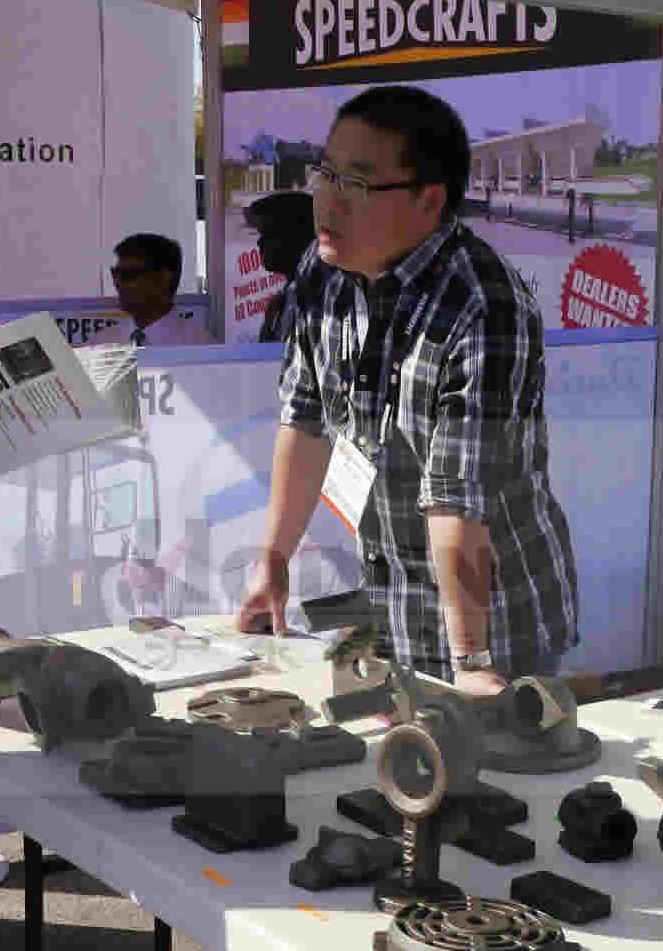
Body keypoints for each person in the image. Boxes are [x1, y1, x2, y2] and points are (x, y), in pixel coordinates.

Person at [237, 85, 578, 690]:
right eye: (326, 174)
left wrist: (471, 662)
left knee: (488, 749)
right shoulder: (324, 271)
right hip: (391, 607)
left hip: (495, 625)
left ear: (430, 199)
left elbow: (457, 497)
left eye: (357, 183)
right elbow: (306, 418)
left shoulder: (483, 306)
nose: (327, 199)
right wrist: (274, 559)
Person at [109, 230, 215, 345]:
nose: (118, 282)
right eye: (115, 273)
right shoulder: (102, 344)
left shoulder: (200, 346)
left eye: (129, 274)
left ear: (164, 277)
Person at [243, 190, 314, 345]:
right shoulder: (286, 298)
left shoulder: (312, 301)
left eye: (267, 233)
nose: (259, 242)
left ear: (293, 237)